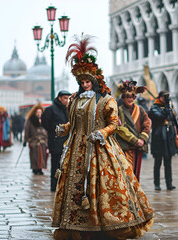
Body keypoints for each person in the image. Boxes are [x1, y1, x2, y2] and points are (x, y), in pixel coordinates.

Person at [52, 35, 153, 240]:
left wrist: (102, 133)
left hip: (99, 148)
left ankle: (105, 225)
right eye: (82, 81)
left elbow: (114, 124)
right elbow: (76, 122)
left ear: (95, 80)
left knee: (103, 186)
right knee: (75, 186)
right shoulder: (75, 98)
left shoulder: (106, 100)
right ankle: (75, 226)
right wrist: (64, 128)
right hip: (76, 148)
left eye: (89, 81)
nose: (86, 84)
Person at [115, 80, 151, 182]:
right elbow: (119, 128)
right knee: (126, 175)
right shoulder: (118, 110)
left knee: (136, 175)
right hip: (125, 147)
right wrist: (135, 140)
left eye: (132, 97)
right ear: (123, 98)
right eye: (127, 97)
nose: (130, 99)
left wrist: (142, 139)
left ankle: (136, 195)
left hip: (138, 147)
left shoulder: (140, 109)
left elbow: (147, 124)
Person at [148, 90, 178, 191]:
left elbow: (172, 119)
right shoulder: (154, 107)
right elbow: (161, 116)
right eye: (164, 97)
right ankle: (157, 184)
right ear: (160, 97)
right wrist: (167, 106)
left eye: (167, 97)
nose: (165, 99)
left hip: (168, 137)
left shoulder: (169, 106)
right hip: (159, 138)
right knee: (157, 162)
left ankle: (169, 183)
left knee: (168, 161)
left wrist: (170, 107)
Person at [41, 90, 72, 191]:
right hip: (55, 142)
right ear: (60, 98)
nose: (67, 100)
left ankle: (63, 187)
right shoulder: (51, 109)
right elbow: (45, 123)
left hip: (66, 142)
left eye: (68, 98)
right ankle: (54, 187)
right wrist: (54, 132)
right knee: (55, 165)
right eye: (65, 98)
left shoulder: (68, 109)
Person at [24, 103, 48, 175]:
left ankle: (40, 168)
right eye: (37, 112)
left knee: (42, 155)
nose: (39, 114)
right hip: (34, 141)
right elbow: (27, 130)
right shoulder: (30, 120)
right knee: (34, 156)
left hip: (43, 141)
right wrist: (25, 140)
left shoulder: (45, 120)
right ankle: (35, 168)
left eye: (40, 112)